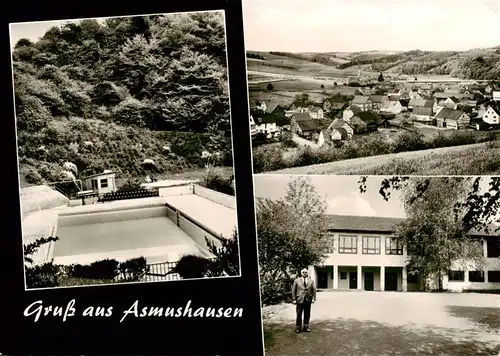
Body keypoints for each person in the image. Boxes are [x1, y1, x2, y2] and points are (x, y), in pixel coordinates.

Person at [292, 268, 317, 333]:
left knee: (307, 314)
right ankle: (298, 328)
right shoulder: (296, 280)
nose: (304, 273)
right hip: (299, 299)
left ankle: (306, 327)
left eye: (306, 272)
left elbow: (314, 290)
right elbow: (293, 290)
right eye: (303, 272)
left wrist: (313, 299)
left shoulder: (311, 281)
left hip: (308, 300)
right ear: (301, 273)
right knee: (299, 314)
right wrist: (294, 299)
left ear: (307, 273)